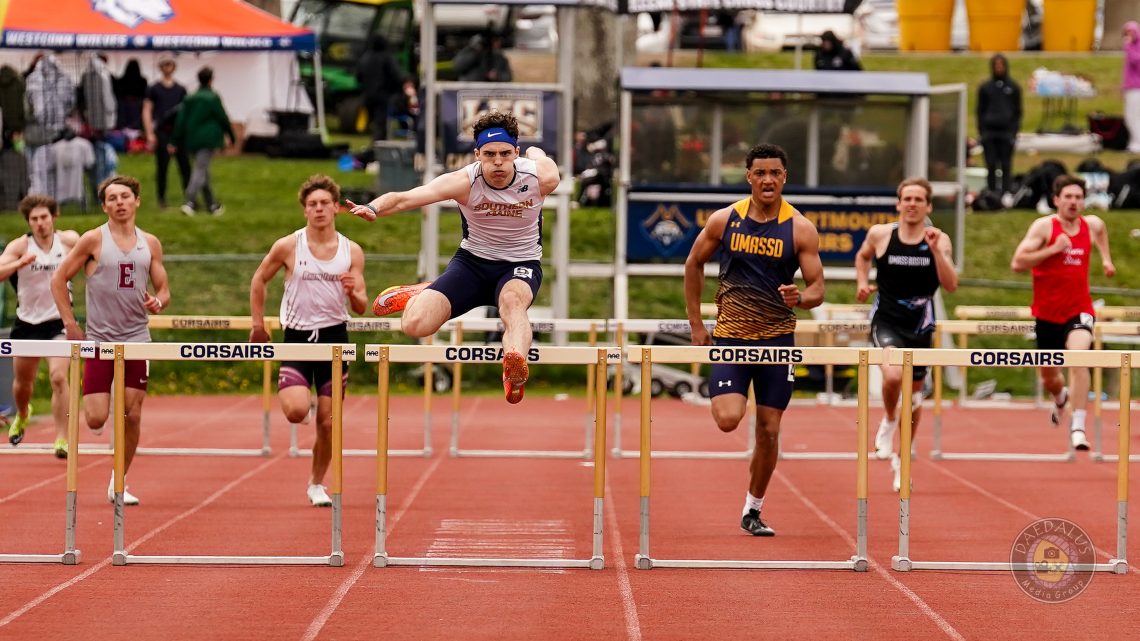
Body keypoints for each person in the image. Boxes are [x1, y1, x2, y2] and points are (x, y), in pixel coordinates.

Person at [346, 110, 560, 405]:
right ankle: (423, 291)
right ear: (476, 154)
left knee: (512, 304)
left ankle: (514, 370)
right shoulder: (464, 182)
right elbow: (407, 197)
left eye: (505, 154)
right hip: (472, 264)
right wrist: (373, 207)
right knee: (414, 325)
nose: (497, 162)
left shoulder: (541, 177)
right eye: (489, 154)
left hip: (519, 264)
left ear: (516, 153)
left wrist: (537, 154)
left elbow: (543, 163)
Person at [683, 143, 825, 536]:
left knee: (769, 429)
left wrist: (803, 297)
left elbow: (818, 288)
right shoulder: (724, 220)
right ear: (748, 176)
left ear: (784, 178)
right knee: (729, 420)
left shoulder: (799, 228)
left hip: (777, 342)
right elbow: (693, 263)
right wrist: (697, 325)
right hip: (731, 338)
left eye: (774, 173)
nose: (767, 180)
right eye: (760, 173)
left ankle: (753, 508)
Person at [50, 175, 171, 505]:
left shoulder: (151, 243)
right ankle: (99, 421)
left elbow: (164, 289)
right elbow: (59, 280)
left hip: (136, 339)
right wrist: (70, 323)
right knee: (96, 418)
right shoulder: (93, 240)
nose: (119, 202)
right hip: (101, 340)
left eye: (125, 196)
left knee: (132, 412)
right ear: (104, 206)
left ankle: (119, 479)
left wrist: (159, 301)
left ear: (136, 201)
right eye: (113, 198)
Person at [250, 175, 367, 507]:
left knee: (328, 426)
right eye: (312, 204)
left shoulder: (351, 251)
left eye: (324, 204)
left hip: (334, 340)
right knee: (295, 410)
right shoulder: (288, 245)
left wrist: (351, 291)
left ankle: (316, 483)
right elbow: (259, 279)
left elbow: (360, 304)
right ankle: (308, 398)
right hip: (297, 338)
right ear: (305, 210)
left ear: (336, 208)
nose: (319, 209)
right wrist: (258, 324)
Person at [855, 178, 958, 492]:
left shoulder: (939, 240)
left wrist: (938, 251)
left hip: (921, 324)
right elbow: (862, 256)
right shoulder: (881, 234)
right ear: (899, 204)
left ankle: (902, 459)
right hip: (887, 320)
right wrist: (862, 281)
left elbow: (951, 285)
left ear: (928, 206)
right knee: (891, 375)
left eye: (919, 199)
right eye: (907, 198)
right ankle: (888, 421)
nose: (912, 204)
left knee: (914, 398)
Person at [1011, 175, 1115, 452]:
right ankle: (1060, 397)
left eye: (1078, 197)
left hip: (1079, 309)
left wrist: (1106, 259)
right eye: (1067, 197)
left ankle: (1078, 426)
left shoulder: (1091, 225)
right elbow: (1017, 263)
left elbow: (1102, 232)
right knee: (1049, 377)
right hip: (1046, 314)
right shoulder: (1044, 227)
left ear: (1084, 201)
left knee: (1079, 358)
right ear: (1056, 200)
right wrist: (1053, 249)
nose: (1073, 202)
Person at [0, 195, 79, 457]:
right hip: (27, 323)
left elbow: (94, 258)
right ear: (29, 222)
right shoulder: (21, 245)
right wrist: (18, 264)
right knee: (23, 384)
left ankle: (62, 439)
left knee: (59, 378)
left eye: (44, 217)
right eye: (34, 219)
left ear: (54, 217)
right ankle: (23, 415)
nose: (40, 223)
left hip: (58, 321)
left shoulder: (68, 241)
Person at [171, 66, 233, 217]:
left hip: (191, 139)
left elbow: (181, 120)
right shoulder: (212, 97)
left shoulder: (190, 97)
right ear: (211, 79)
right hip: (208, 139)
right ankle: (189, 202)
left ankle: (212, 205)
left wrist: (174, 139)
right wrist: (232, 135)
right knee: (200, 170)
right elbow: (222, 117)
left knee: (203, 170)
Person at [142, 55, 191, 209]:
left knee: (185, 166)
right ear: (160, 67)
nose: (167, 67)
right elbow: (147, 110)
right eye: (164, 64)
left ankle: (190, 198)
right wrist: (149, 132)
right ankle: (161, 199)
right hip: (162, 132)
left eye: (170, 64)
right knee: (162, 167)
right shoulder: (153, 89)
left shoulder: (181, 89)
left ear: (174, 67)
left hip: (178, 133)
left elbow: (186, 112)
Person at [976, 53, 1022, 200]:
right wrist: (982, 131)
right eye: (996, 65)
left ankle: (1006, 192)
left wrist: (1013, 132)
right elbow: (980, 111)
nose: (999, 68)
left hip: (1006, 132)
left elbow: (1017, 111)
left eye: (1001, 65)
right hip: (989, 132)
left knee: (1006, 163)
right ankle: (991, 192)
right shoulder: (985, 88)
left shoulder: (1013, 87)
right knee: (990, 163)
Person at [355, 36, 405, 142]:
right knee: (381, 123)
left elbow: (358, 77)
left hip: (367, 95)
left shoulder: (365, 57)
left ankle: (375, 144)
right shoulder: (387, 57)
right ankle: (378, 146)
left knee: (375, 122)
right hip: (383, 95)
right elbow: (397, 76)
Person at [1122, 21, 1140, 154]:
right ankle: (1133, 142)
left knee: (1134, 115)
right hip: (1130, 86)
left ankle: (1137, 143)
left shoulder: (1135, 47)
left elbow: (1136, 62)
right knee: (1129, 116)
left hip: (1137, 87)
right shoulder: (1130, 47)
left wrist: (1128, 47)